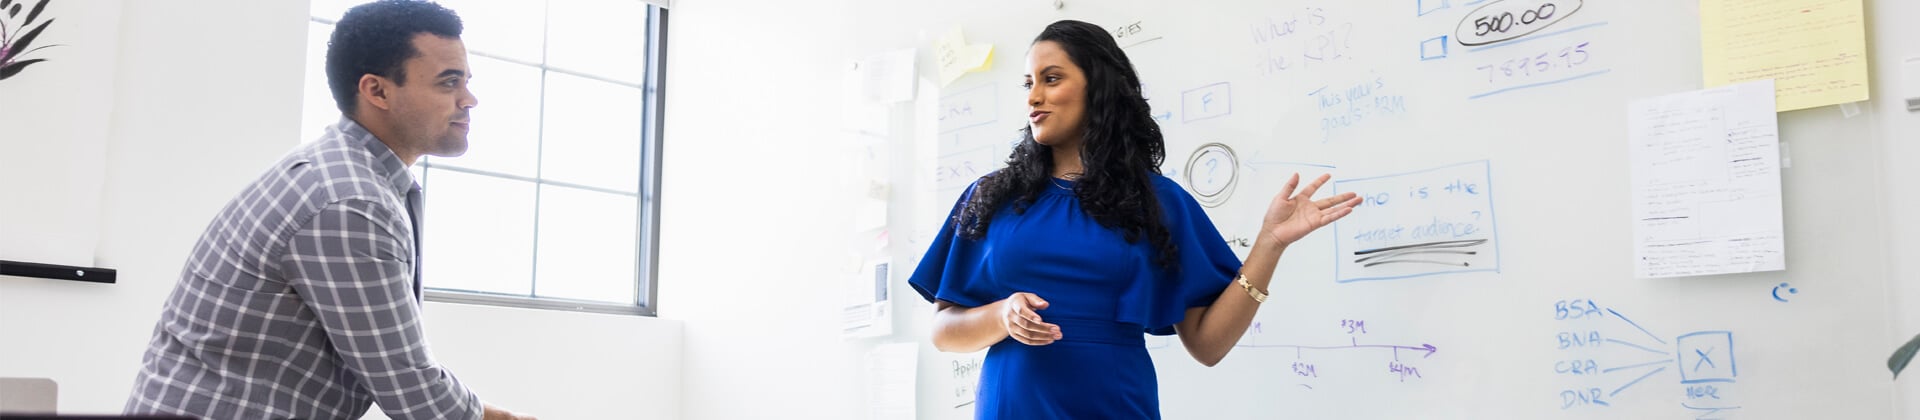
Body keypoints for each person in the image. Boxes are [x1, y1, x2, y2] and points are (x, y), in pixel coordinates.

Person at [909, 19, 1362, 419]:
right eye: (1027, 82)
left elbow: (1207, 345)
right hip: (1012, 407)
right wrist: (1001, 315)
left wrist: (1269, 244)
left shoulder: (1157, 202)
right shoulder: (990, 197)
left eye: (1051, 79)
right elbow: (944, 330)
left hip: (1116, 405)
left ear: (1097, 87)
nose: (1033, 96)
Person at [122, 1, 534, 419]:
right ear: (376, 91)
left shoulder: (348, 175)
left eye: (466, 81)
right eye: (449, 83)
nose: (470, 99)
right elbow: (412, 391)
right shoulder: (350, 201)